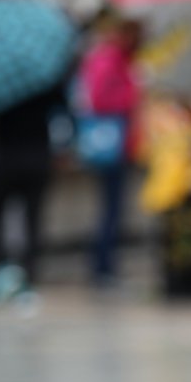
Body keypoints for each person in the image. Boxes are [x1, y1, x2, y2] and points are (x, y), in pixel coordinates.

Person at [0, 82, 67, 308]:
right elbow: (62, 111)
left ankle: (3, 266)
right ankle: (29, 274)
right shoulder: (44, 79)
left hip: (6, 157)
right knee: (32, 219)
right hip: (38, 157)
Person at [77, 15, 143, 287]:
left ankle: (105, 263)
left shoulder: (119, 58)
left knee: (113, 206)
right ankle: (102, 265)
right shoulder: (110, 58)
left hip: (119, 144)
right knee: (110, 207)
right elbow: (99, 98)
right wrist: (131, 96)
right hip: (111, 143)